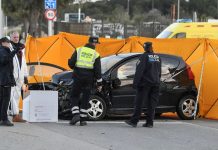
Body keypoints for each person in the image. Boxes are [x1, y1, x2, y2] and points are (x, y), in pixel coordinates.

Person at [125, 42, 161, 128]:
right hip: (156, 83)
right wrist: (157, 80)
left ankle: (134, 121)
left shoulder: (144, 57)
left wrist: (135, 83)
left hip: (145, 84)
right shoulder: (157, 57)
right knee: (151, 104)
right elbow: (159, 72)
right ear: (152, 47)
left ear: (145, 48)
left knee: (139, 102)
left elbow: (139, 71)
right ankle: (150, 122)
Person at [68, 36, 102, 126]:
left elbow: (71, 64)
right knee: (85, 97)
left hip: (78, 76)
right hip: (89, 78)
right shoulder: (96, 54)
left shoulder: (78, 50)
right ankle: (83, 120)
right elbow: (98, 70)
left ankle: (75, 114)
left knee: (74, 95)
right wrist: (99, 83)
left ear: (88, 42)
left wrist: (71, 63)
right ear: (95, 43)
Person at [0, 37, 20, 126]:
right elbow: (4, 60)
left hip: (5, 78)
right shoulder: (2, 51)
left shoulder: (4, 50)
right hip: (4, 79)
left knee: (3, 99)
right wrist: (14, 52)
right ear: (2, 43)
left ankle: (2, 118)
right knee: (5, 99)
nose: (9, 44)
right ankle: (4, 119)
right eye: (7, 42)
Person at [9, 31, 28, 122]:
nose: (16, 39)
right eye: (14, 37)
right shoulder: (9, 47)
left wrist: (25, 75)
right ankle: (15, 114)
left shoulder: (21, 48)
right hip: (12, 75)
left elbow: (23, 62)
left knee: (16, 95)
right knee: (11, 95)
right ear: (11, 37)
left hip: (20, 76)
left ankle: (14, 115)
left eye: (17, 37)